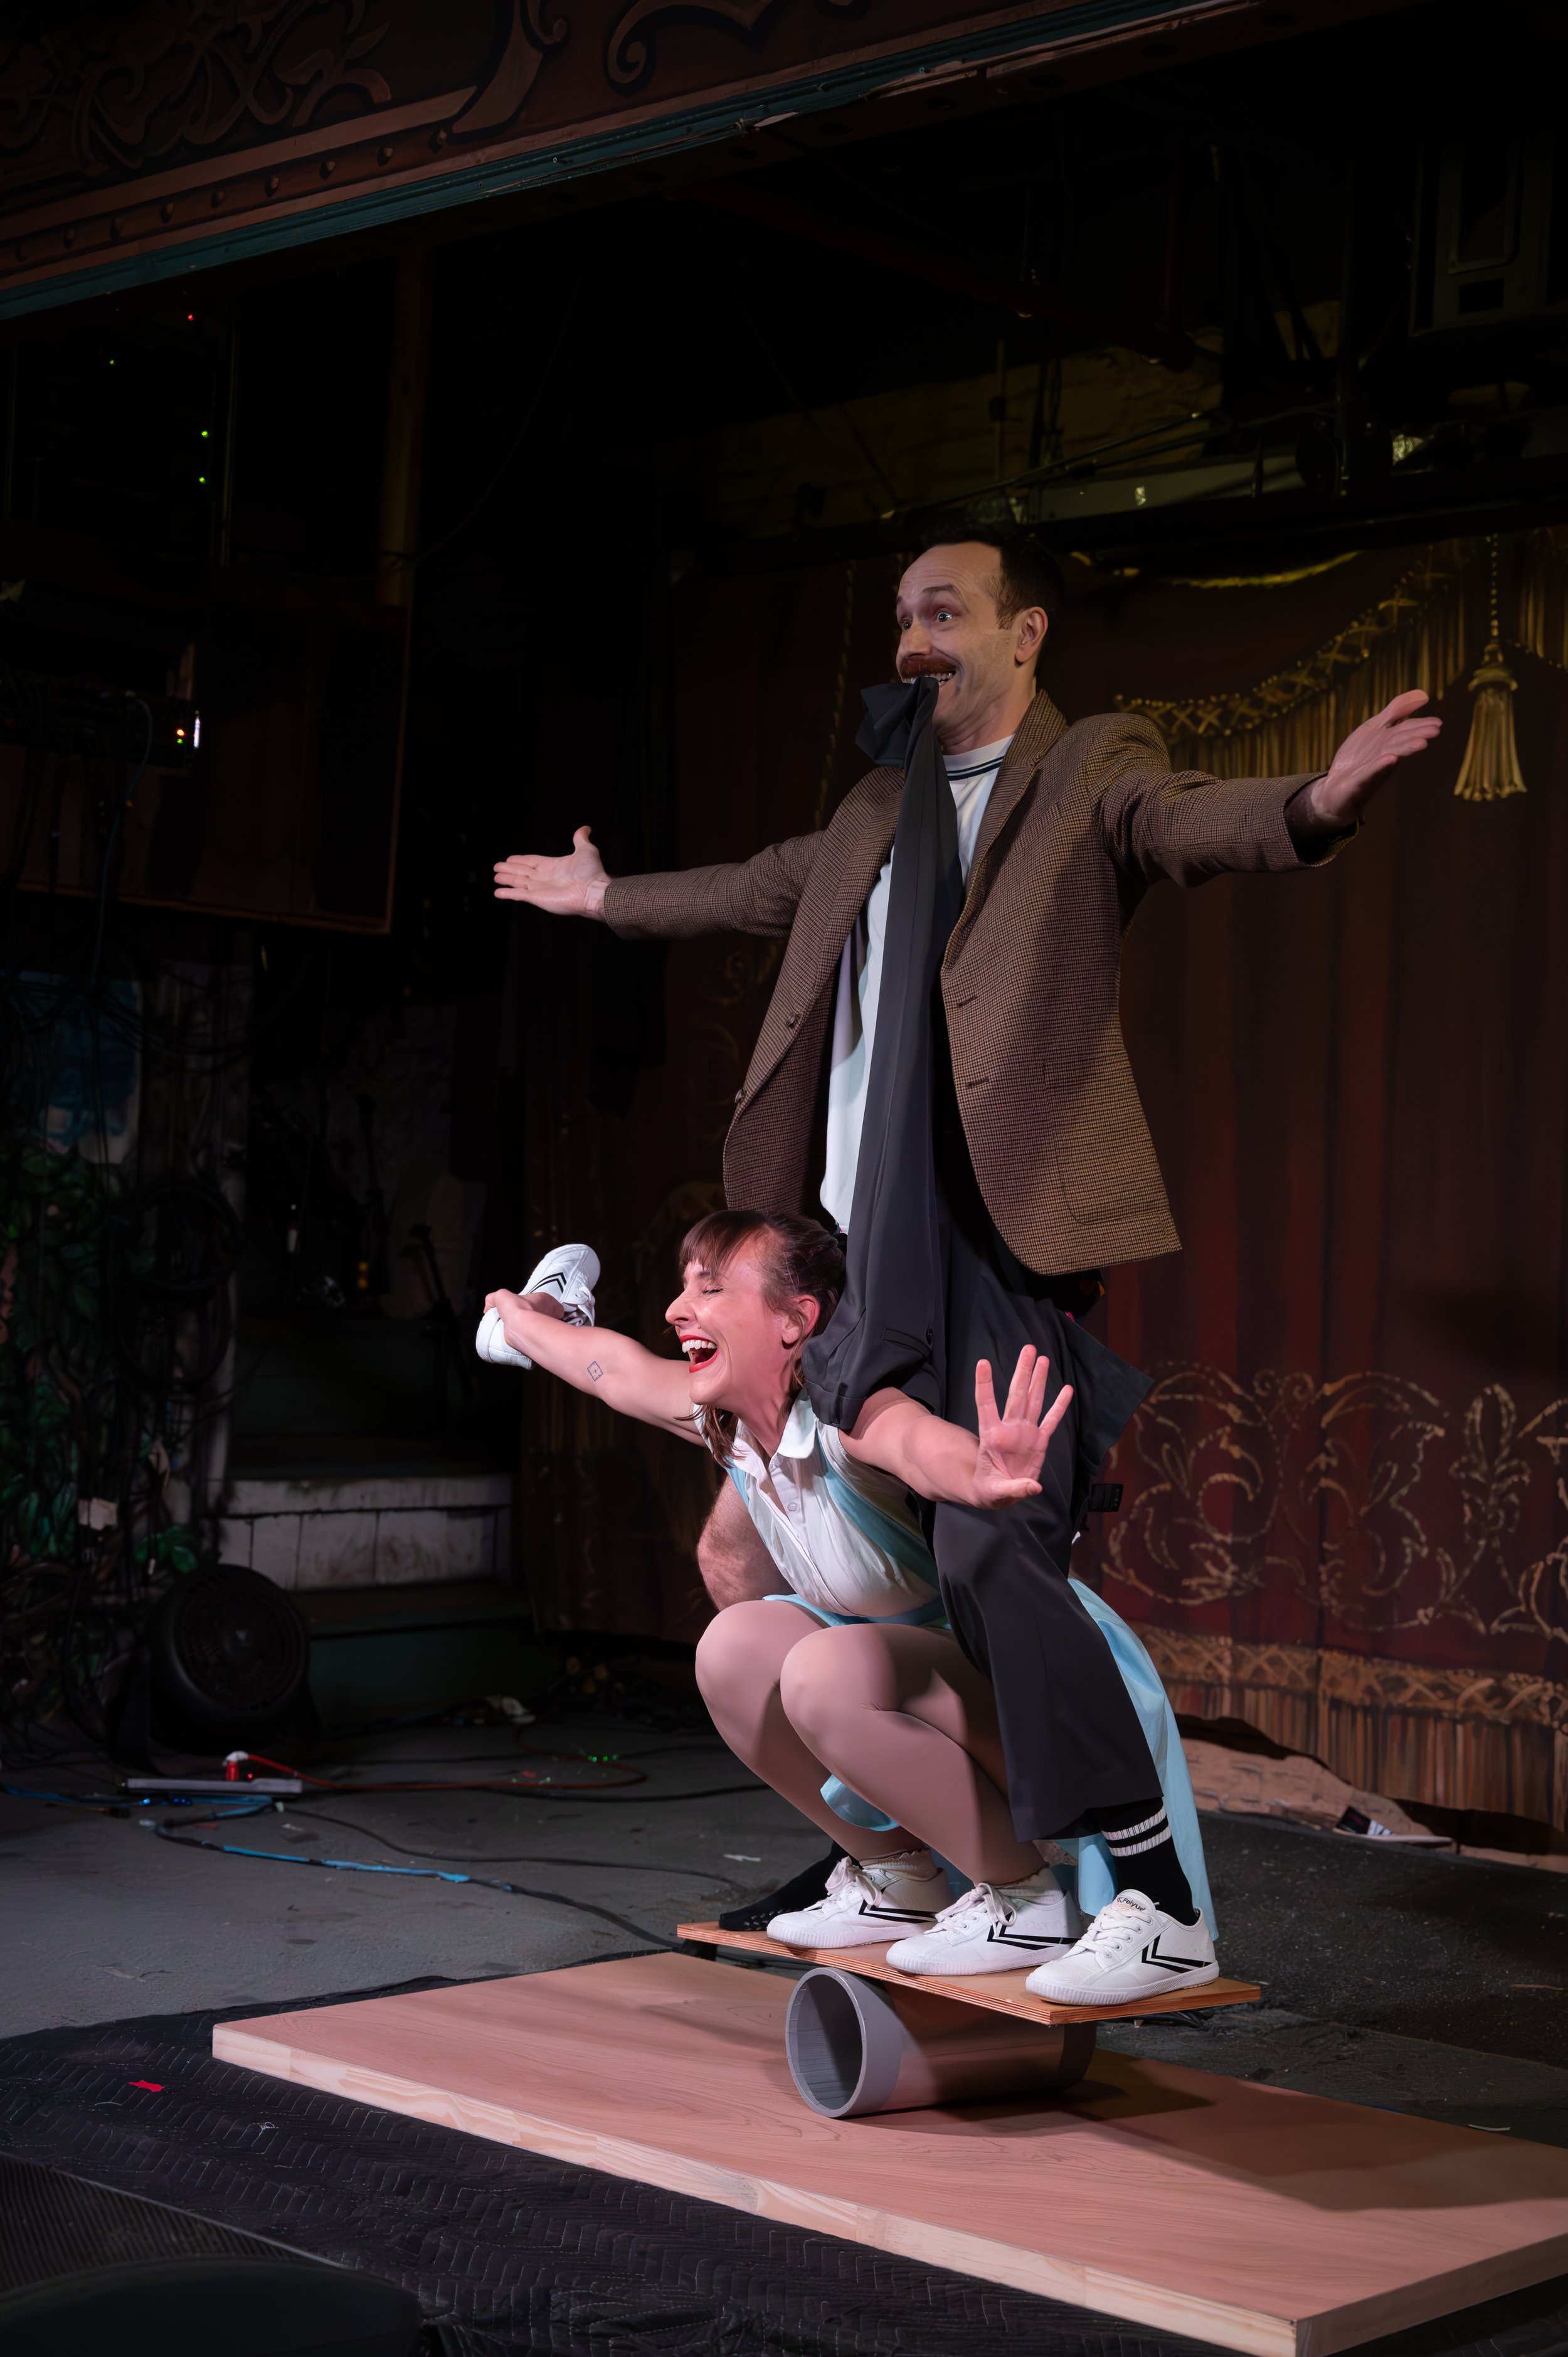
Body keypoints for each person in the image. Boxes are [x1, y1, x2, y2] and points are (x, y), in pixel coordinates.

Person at [494, 528, 1441, 1968]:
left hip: (989, 1242)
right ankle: (908, 1866)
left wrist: (1311, 801)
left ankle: (1152, 1901)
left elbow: (1184, 820)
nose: (914, 636)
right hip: (852, 1253)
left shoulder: (1086, 771)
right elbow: (755, 882)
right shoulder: (881, 806)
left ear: (1028, 634)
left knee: (994, 1537)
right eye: (899, 615)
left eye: (945, 609)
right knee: (768, 1565)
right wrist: (607, 899)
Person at [482, 1210, 1217, 2001]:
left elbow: (913, 1443)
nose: (675, 1309)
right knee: (733, 1649)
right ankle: (901, 1874)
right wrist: (521, 1320)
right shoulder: (725, 1423)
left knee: (820, 1668)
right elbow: (612, 1366)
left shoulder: (848, 1412)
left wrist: (979, 1470)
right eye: (682, 1287)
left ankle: (1026, 1898)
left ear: (798, 1320)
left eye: (710, 1288)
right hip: (899, 1686)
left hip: (1028, 1690)